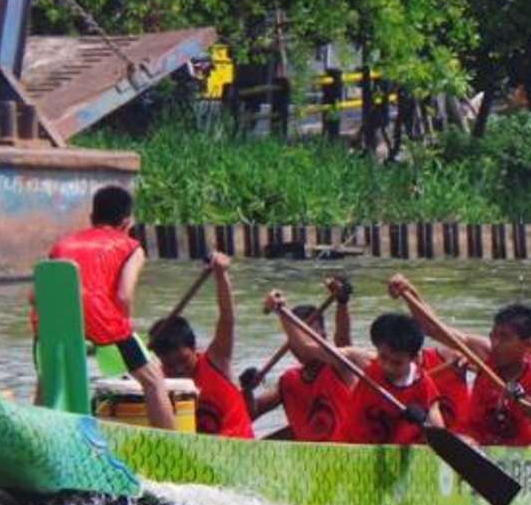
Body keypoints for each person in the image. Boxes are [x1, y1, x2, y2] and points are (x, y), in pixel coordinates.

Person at [45, 185, 173, 430]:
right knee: (154, 381)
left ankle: (38, 442)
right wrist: (126, 332)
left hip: (54, 324)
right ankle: (173, 454)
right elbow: (124, 296)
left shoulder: (61, 246)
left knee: (49, 382)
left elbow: (35, 296)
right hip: (104, 324)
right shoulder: (131, 247)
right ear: (127, 223)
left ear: (92, 219)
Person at [390, 275, 531, 447]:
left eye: (504, 338)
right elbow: (434, 328)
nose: (496, 343)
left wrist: (524, 400)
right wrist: (410, 292)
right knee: (465, 441)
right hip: (473, 440)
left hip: (521, 447)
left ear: (528, 343)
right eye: (493, 335)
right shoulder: (485, 354)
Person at [265, 289, 444, 444]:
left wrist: (425, 420)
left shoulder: (423, 385)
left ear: (414, 358)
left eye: (396, 363)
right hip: (349, 452)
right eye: (383, 357)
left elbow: (441, 433)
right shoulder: (363, 362)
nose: (387, 366)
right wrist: (282, 312)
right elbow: (307, 348)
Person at [147, 252, 252, 438]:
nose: (179, 369)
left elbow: (227, 318)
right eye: (170, 365)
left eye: (183, 360)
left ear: (194, 349)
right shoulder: (156, 380)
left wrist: (221, 275)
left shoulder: (216, 360)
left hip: (238, 451)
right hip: (195, 459)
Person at [247, 279, 355, 442]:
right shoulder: (288, 380)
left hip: (346, 456)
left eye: (309, 336)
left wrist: (342, 302)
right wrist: (247, 389)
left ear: (324, 337)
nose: (302, 344)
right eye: (297, 337)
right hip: (308, 460)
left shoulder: (339, 365)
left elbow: (343, 339)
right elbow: (251, 412)